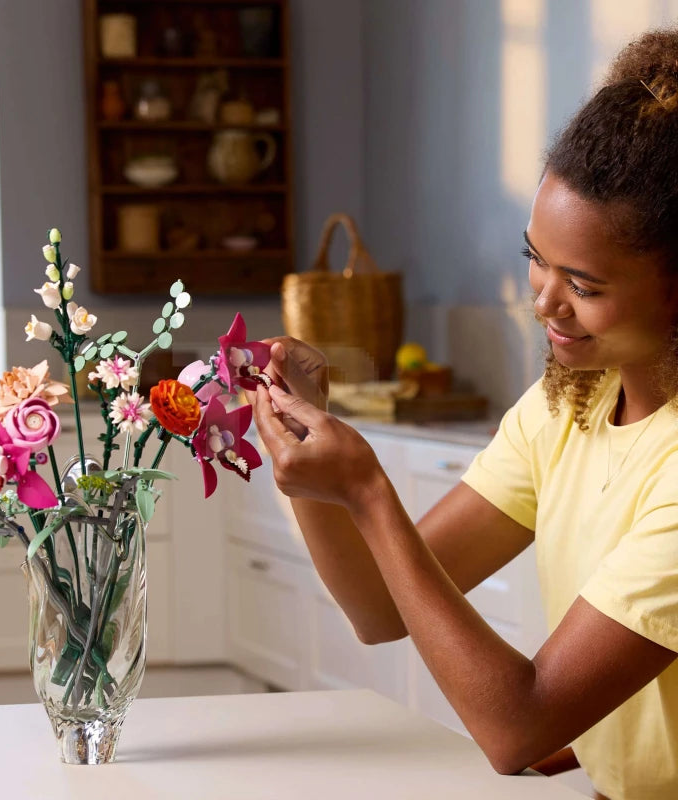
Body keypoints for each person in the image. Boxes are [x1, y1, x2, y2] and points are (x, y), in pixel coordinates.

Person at [250, 28, 678, 800]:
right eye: (536, 260)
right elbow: (380, 609)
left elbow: (518, 727)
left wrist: (371, 493)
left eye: (583, 284)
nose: (544, 302)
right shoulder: (568, 406)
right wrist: (306, 463)